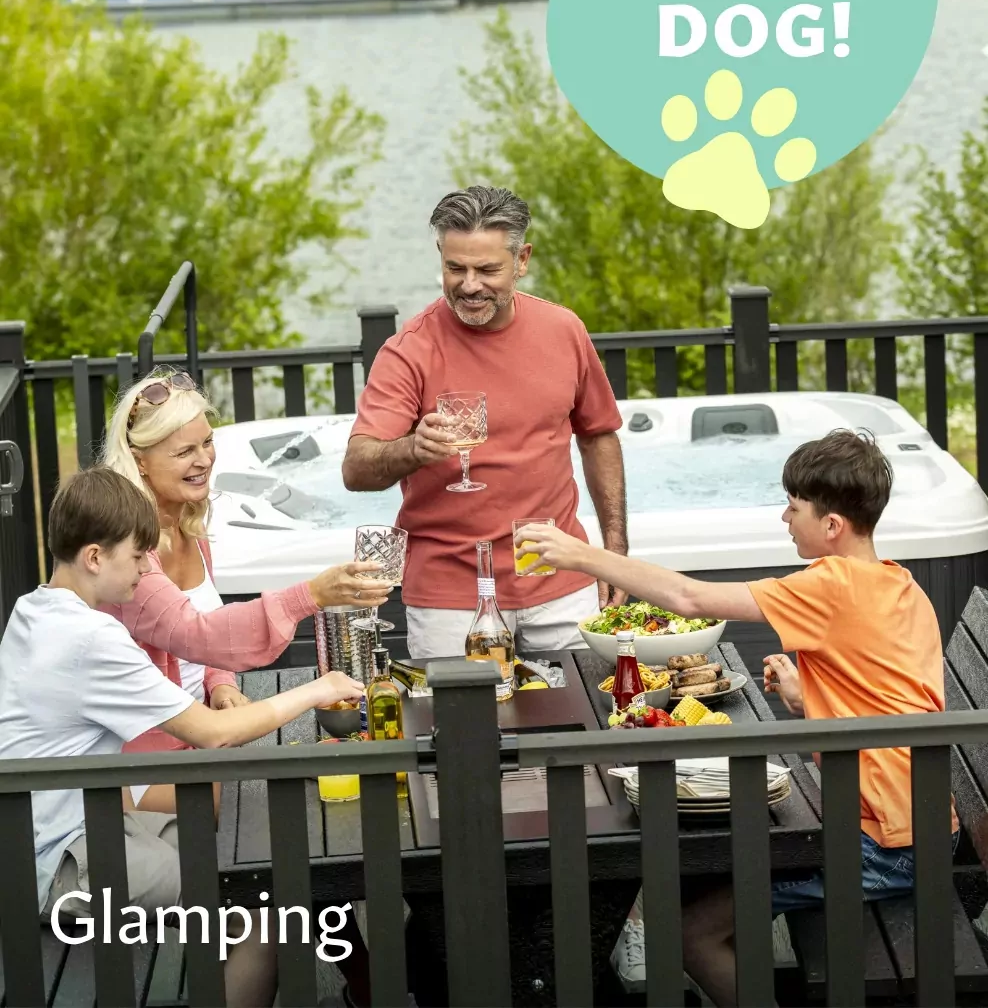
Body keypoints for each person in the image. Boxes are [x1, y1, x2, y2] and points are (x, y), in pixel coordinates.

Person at [516, 429, 959, 1007]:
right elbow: (895, 695)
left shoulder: (833, 585)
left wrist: (583, 556)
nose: (784, 517)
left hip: (888, 845)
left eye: (794, 507)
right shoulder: (900, 583)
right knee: (709, 873)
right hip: (919, 817)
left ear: (832, 525)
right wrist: (808, 699)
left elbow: (690, 600)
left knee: (687, 930)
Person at [0, 467, 365, 1008]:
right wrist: (319, 689)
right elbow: (213, 733)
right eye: (137, 557)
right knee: (267, 914)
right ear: (95, 557)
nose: (146, 569)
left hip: (57, 833)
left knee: (254, 865)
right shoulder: (90, 637)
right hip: (62, 863)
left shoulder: (33, 607)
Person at [342, 185, 629, 661]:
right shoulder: (408, 351)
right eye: (455, 268)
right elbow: (356, 468)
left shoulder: (564, 330)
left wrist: (613, 550)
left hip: (561, 578)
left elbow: (598, 435)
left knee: (587, 705)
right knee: (462, 713)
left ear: (522, 260)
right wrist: (412, 449)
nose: (470, 285)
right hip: (449, 596)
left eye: (487, 270)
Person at [100, 370, 388, 814]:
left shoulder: (187, 524)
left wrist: (219, 684)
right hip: (142, 759)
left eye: (207, 442)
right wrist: (311, 594)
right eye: (184, 452)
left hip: (199, 733)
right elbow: (195, 633)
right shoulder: (128, 549)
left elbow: (201, 636)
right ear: (140, 461)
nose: (204, 460)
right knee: (272, 809)